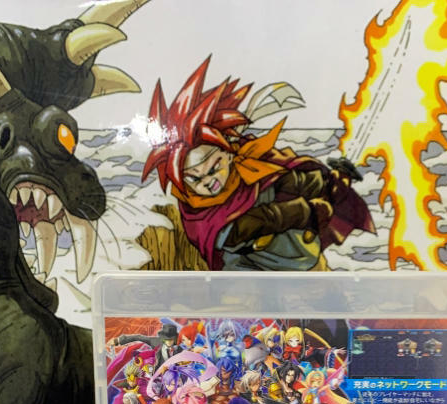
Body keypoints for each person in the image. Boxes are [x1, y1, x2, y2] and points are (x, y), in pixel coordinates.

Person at [141, 59, 375, 270]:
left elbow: (286, 179)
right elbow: (243, 228)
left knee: (294, 181)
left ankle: (338, 180)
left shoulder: (246, 167)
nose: (208, 181)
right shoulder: (197, 211)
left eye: (214, 168)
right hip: (249, 273)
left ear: (229, 155)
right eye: (195, 178)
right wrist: (305, 212)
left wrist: (324, 185)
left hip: (301, 259)